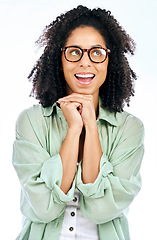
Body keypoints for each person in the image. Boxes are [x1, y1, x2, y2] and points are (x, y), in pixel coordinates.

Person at [12, 5, 144, 240]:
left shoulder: (129, 129)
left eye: (97, 52)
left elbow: (100, 209)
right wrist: (74, 130)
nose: (85, 62)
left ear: (109, 60)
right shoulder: (31, 122)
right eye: (74, 52)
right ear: (58, 58)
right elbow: (45, 209)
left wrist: (91, 126)